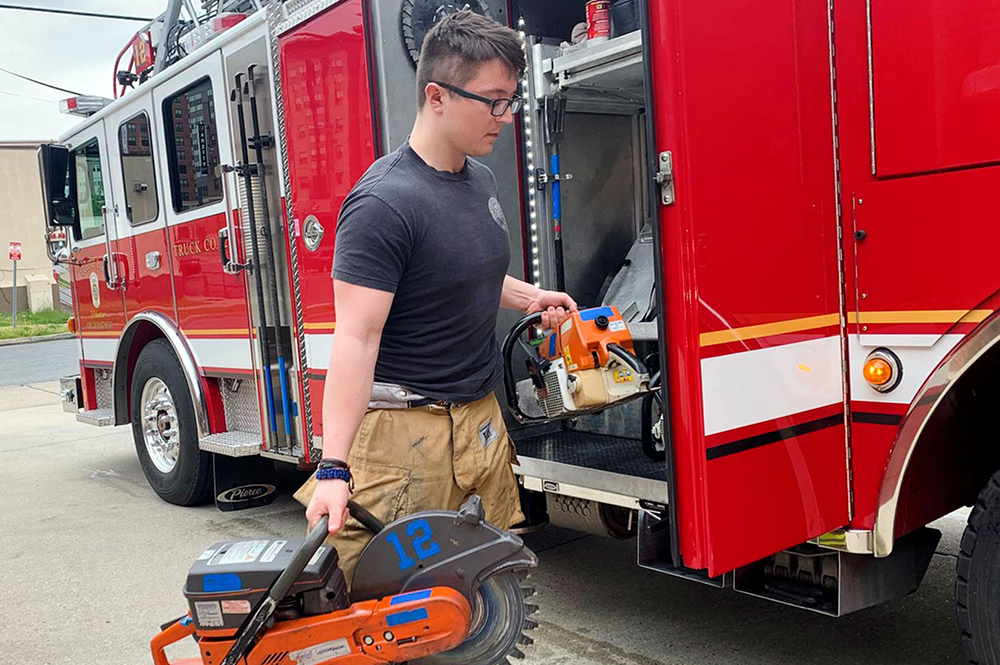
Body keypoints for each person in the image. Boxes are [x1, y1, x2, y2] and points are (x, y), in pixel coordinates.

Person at [295, 10, 578, 582]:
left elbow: (456, 269)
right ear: (437, 95)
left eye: (512, 100)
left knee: (482, 596)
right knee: (390, 608)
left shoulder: (479, 180)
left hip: (478, 422)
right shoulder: (383, 202)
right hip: (403, 437)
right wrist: (333, 468)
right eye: (494, 100)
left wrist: (527, 297)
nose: (507, 115)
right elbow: (355, 336)